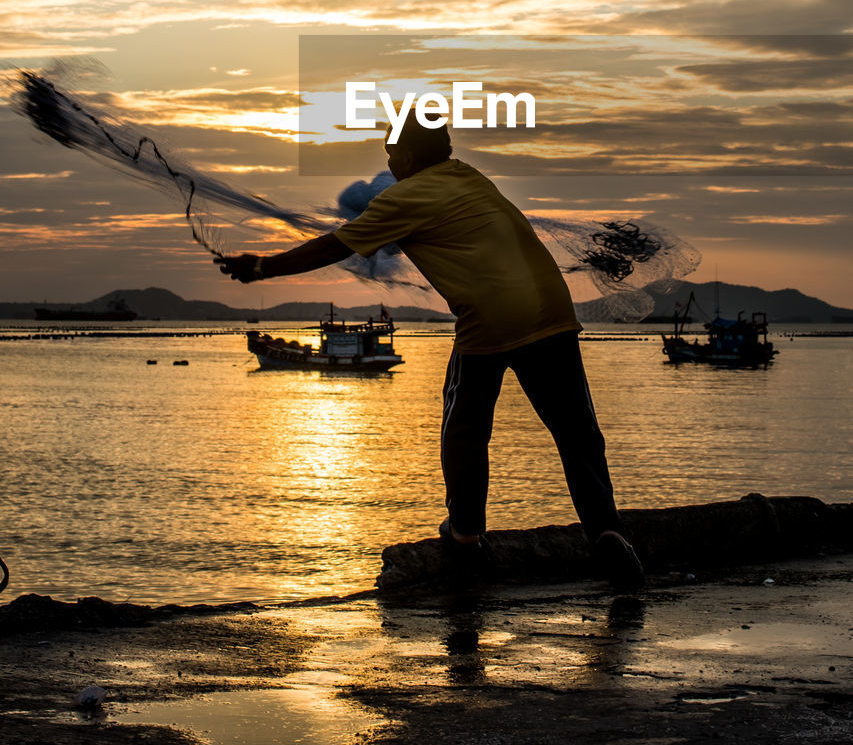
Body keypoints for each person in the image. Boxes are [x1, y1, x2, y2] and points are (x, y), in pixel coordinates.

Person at [215, 114, 644, 592]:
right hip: (552, 308)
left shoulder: (403, 197)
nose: (389, 162)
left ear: (412, 157)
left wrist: (263, 267)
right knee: (575, 430)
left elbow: (334, 246)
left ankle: (464, 535)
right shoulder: (468, 177)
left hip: (491, 317)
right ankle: (607, 531)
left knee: (464, 426)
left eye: (392, 154)